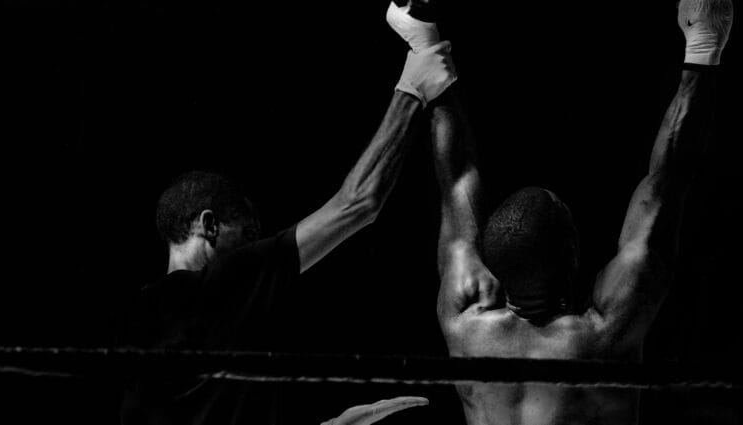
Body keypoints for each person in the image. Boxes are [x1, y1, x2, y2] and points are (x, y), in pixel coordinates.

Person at [385, 0, 733, 423]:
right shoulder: (601, 338)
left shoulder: (465, 322)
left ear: (491, 265)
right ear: (573, 256)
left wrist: (427, 47)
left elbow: (457, 178)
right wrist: (703, 43)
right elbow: (666, 183)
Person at [118, 13, 460, 425]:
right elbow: (358, 203)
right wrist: (416, 77)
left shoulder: (137, 319)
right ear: (209, 226)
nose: (255, 248)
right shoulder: (226, 281)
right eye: (247, 236)